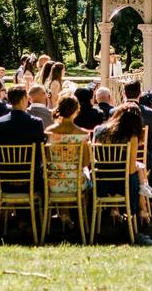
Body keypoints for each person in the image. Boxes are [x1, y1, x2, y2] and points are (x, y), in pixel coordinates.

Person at [92, 102, 152, 240]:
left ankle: (116, 210)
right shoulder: (131, 136)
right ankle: (141, 210)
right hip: (123, 183)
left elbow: (95, 157)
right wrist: (139, 171)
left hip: (101, 181)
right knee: (137, 170)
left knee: (135, 171)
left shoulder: (98, 130)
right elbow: (131, 168)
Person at [45, 94, 91, 230]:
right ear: (76, 110)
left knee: (60, 173)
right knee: (87, 177)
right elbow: (84, 163)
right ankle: (82, 217)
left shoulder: (49, 132)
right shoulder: (82, 134)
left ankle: (64, 213)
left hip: (53, 183)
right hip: (75, 183)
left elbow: (47, 159)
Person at [0, 85, 45, 186]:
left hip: (4, 179)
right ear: (23, 99)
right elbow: (40, 151)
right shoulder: (36, 123)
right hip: (32, 179)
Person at [123, 79, 152, 191]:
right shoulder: (149, 113)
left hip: (122, 155)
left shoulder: (114, 111)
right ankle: (150, 194)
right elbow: (151, 139)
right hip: (143, 156)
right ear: (140, 93)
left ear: (124, 94)